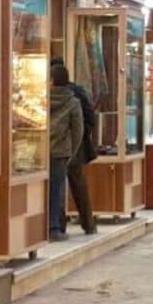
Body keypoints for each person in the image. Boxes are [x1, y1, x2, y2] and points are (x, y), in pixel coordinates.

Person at [52, 57, 97, 235]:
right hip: (75, 147)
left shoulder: (50, 95)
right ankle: (88, 224)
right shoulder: (77, 92)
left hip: (62, 148)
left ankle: (59, 225)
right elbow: (90, 118)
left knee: (58, 187)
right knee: (78, 187)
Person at [49, 63, 84, 242]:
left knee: (40, 190)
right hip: (60, 153)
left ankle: (37, 227)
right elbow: (78, 130)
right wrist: (71, 151)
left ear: (51, 80)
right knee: (57, 190)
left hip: (36, 151)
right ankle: (54, 228)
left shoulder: (41, 99)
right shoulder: (72, 102)